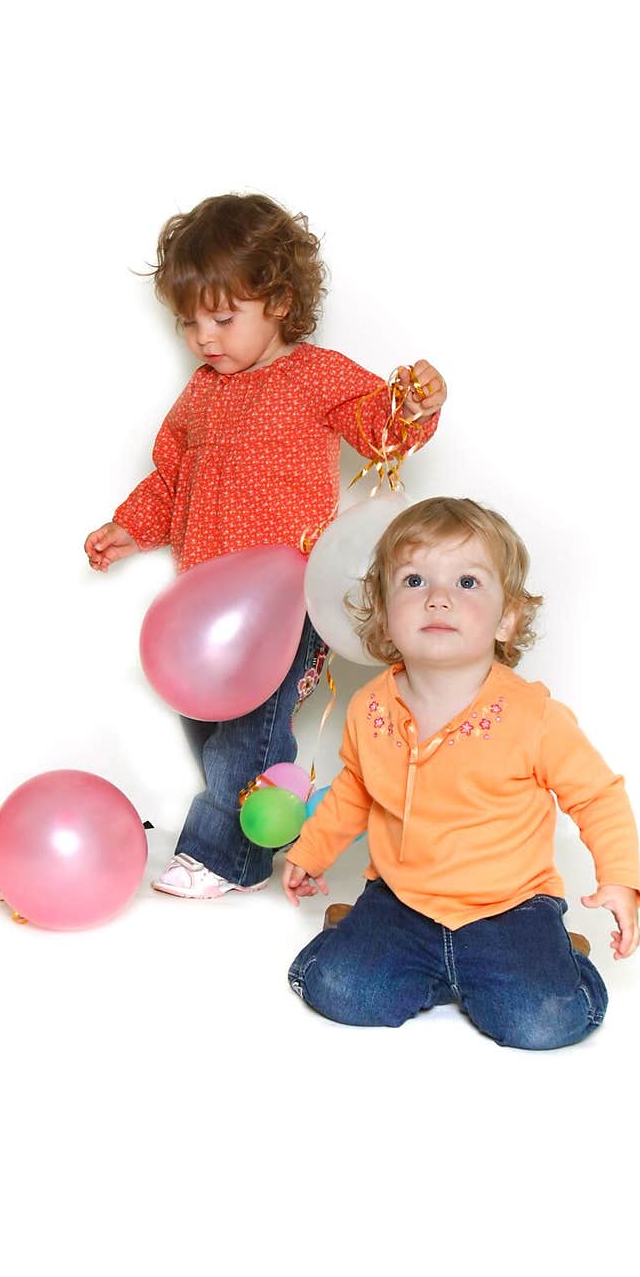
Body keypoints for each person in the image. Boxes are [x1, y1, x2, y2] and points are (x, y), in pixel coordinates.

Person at [83, 193, 447, 898]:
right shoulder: (201, 394)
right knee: (207, 719)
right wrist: (131, 527)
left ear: (278, 301)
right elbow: (173, 475)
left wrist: (412, 404)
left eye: (222, 318)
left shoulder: (315, 375)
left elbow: (380, 430)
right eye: (189, 322)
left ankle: (228, 855)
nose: (204, 337)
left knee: (251, 727)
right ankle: (263, 830)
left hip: (284, 604)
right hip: (204, 603)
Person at [283, 497, 640, 1049]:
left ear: (507, 618)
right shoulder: (371, 708)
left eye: (468, 583)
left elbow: (598, 797)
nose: (438, 597)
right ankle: (376, 939)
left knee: (542, 1021)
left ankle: (556, 951)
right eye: (412, 581)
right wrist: (310, 853)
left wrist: (618, 878)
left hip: (510, 905)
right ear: (382, 613)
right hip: (404, 900)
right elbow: (354, 790)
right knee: (339, 989)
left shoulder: (533, 716)